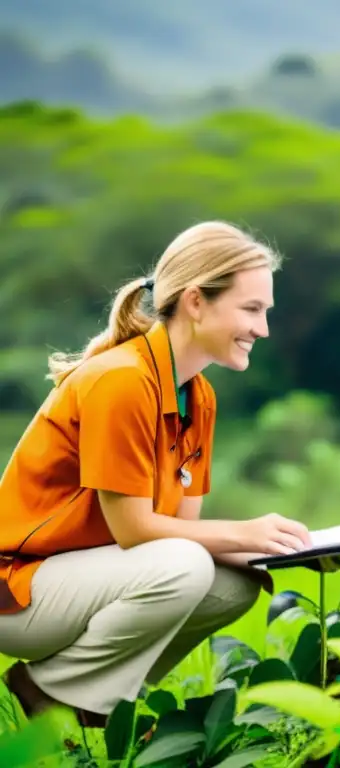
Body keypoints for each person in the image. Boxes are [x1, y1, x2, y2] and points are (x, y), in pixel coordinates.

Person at [0, 221, 313, 727]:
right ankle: (41, 694)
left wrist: (290, 549)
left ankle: (96, 702)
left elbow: (183, 526)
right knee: (185, 566)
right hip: (16, 591)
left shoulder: (199, 395)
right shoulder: (122, 381)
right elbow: (136, 530)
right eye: (251, 309)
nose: (263, 328)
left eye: (265, 312)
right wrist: (243, 531)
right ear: (195, 302)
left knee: (235, 582)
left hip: (81, 582)